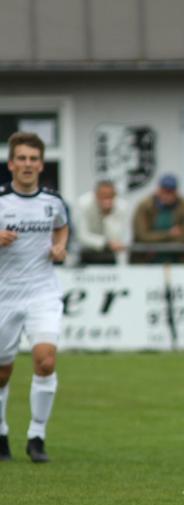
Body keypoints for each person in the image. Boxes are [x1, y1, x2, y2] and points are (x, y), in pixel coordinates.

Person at [0, 132, 69, 463]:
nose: (27, 165)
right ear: (11, 164)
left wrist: (59, 246)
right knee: (2, 371)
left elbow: (61, 226)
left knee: (45, 359)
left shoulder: (53, 202)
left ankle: (36, 436)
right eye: (22, 159)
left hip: (43, 290)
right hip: (5, 294)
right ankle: (0, 432)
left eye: (33, 159)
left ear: (41, 165)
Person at [130, 174, 184, 264]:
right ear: (158, 190)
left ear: (176, 192)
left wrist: (159, 240)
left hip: (177, 261)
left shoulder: (183, 205)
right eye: (165, 191)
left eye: (171, 192)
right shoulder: (145, 206)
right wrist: (169, 234)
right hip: (147, 261)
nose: (167, 195)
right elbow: (142, 236)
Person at [75, 180, 127, 265]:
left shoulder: (121, 207)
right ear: (95, 195)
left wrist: (107, 216)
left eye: (110, 196)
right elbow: (82, 236)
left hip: (110, 255)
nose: (107, 199)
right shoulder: (83, 204)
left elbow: (117, 237)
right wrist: (105, 243)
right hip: (86, 254)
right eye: (103, 195)